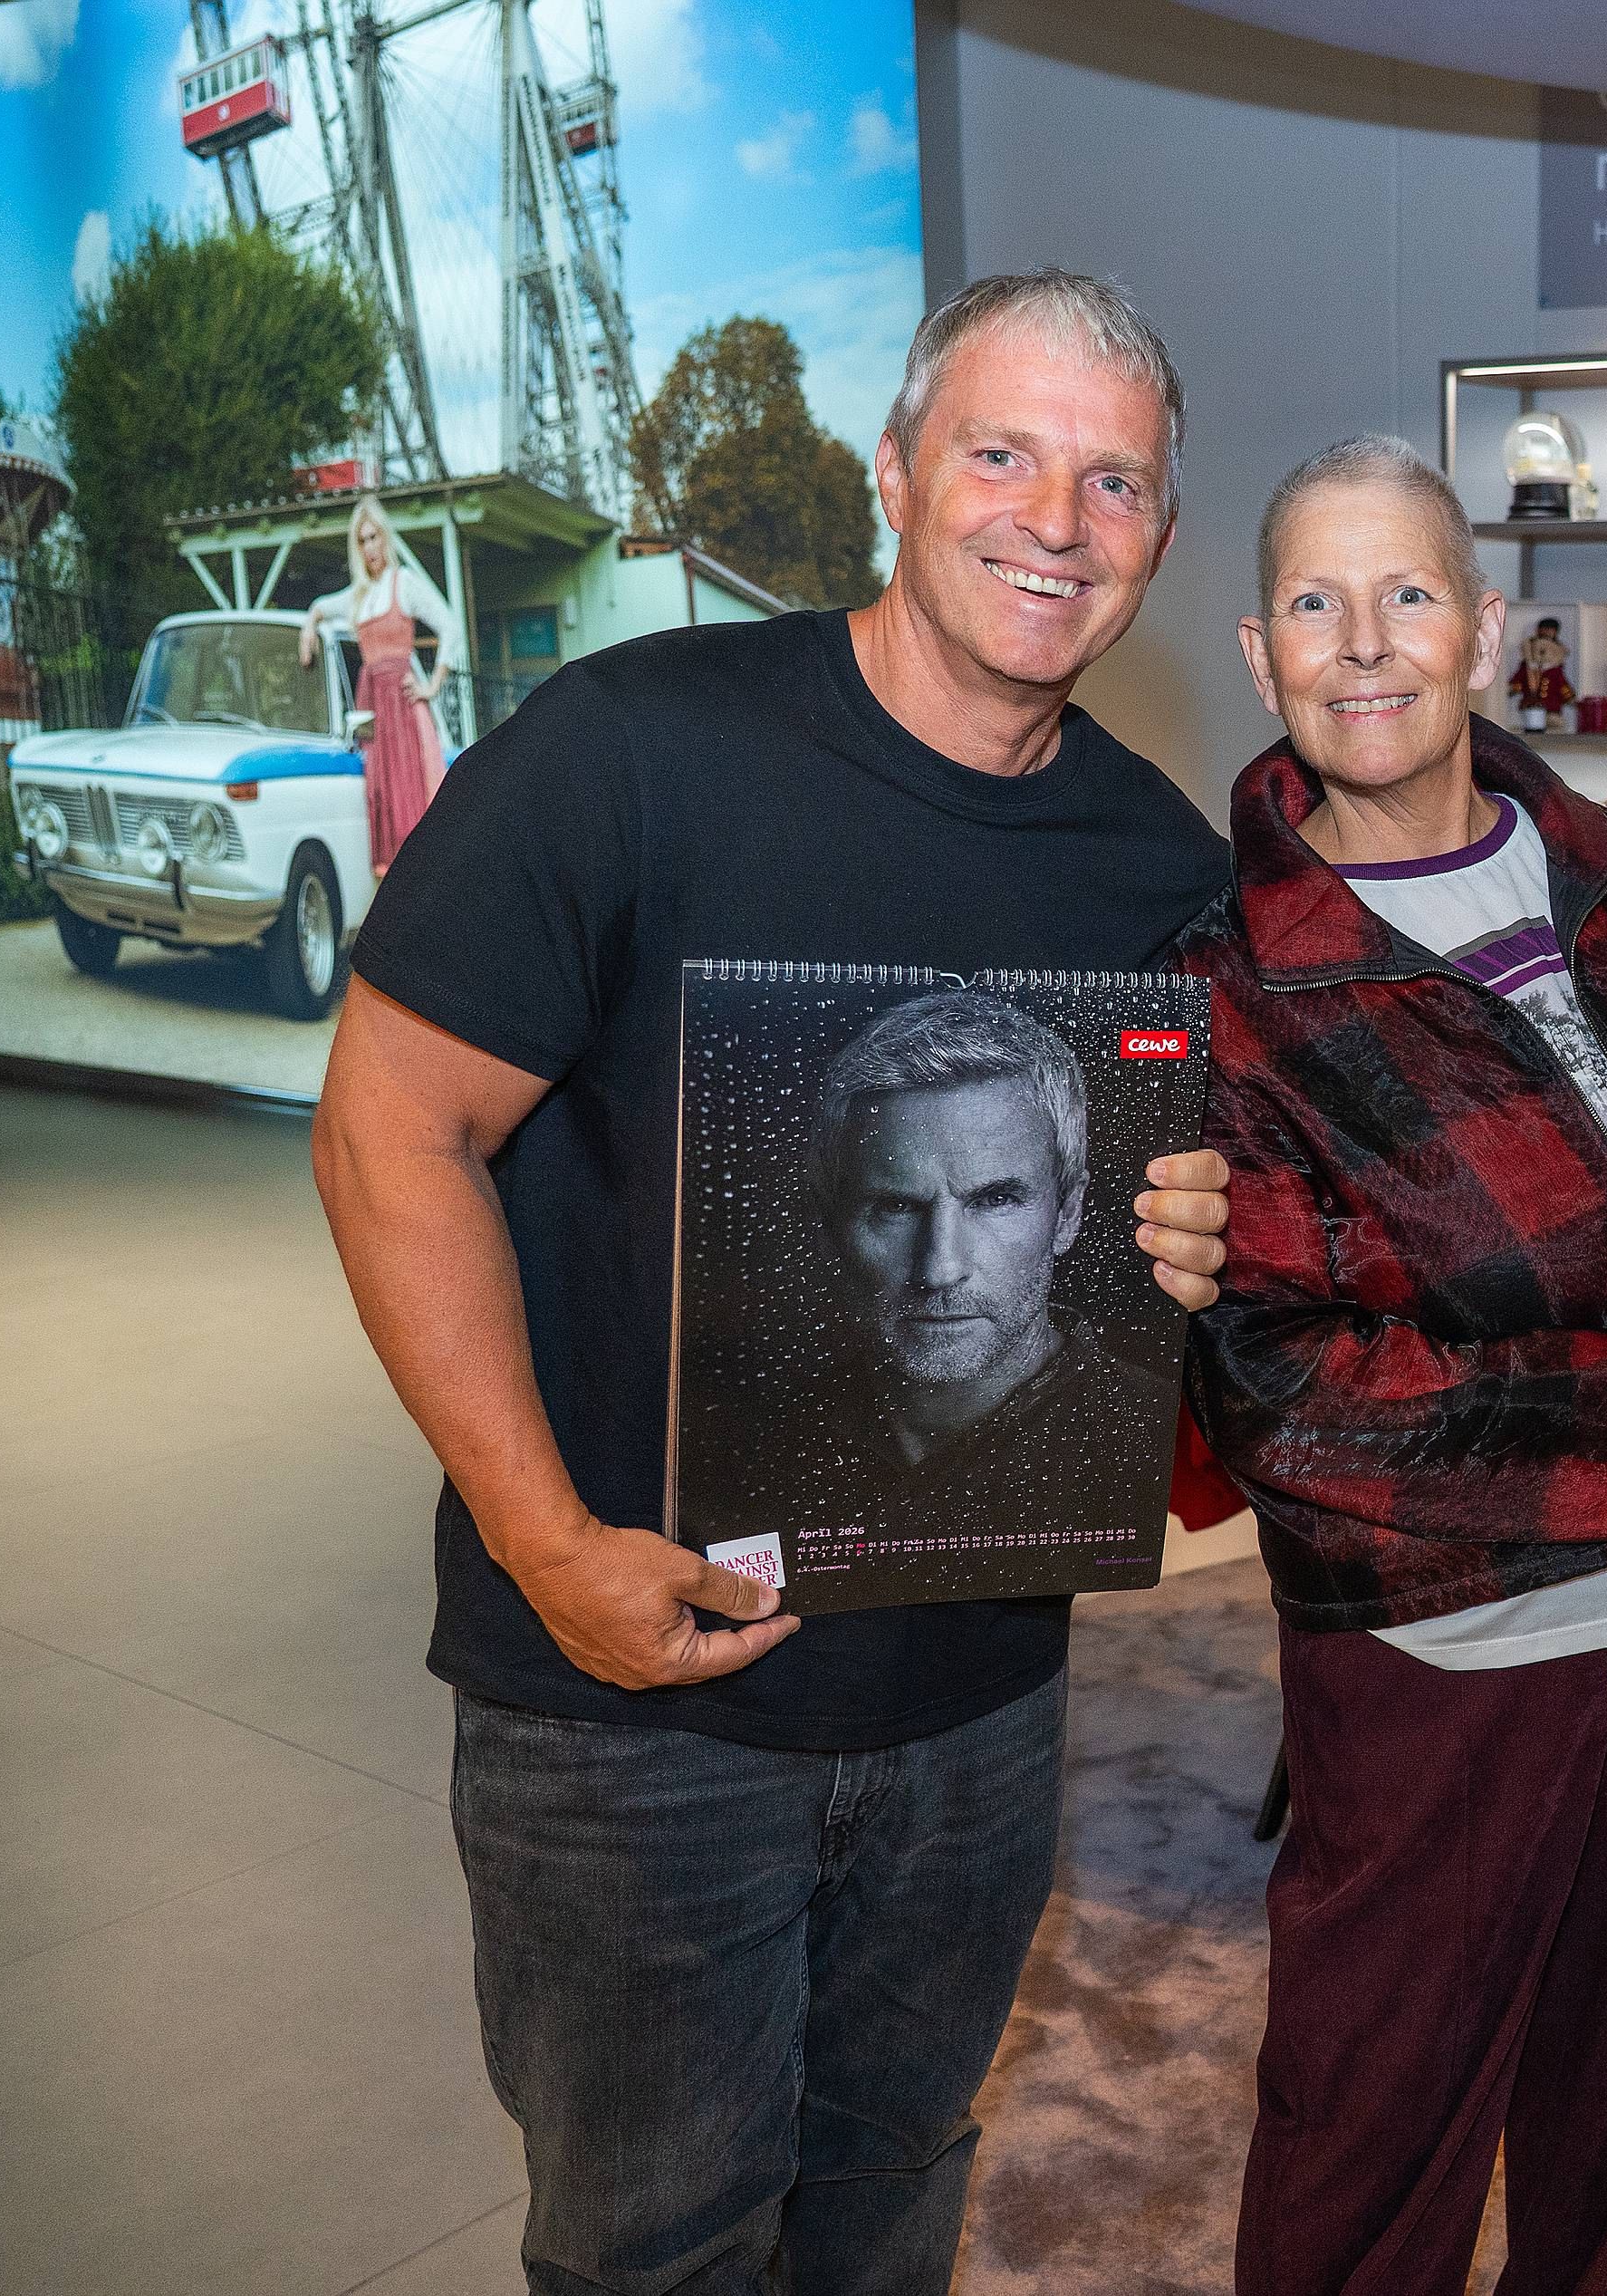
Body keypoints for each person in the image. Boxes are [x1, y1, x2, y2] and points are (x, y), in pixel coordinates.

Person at [307, 269, 1236, 2296]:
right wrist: (548, 1542)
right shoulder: (632, 750)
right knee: (652, 2245)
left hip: (978, 1698)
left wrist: (1196, 1248)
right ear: (895, 472)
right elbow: (389, 1126)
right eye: (1001, 454)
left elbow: (1162, 1256)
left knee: (891, 2194)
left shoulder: (1157, 868)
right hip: (632, 1710)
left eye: (1114, 482)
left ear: (1162, 533)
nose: (1052, 522)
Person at [1178, 435, 1607, 2296]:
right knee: (1365, 2160)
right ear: (1255, 646)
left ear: (1484, 625)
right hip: (1453, 1654)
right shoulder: (1224, 983)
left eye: (1405, 594)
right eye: (1314, 601)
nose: (1362, 642)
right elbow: (1290, 1401)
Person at [809, 987, 1177, 1539]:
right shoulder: (748, 1436)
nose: (939, 1269)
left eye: (994, 1200)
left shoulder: (1145, 1427)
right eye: (894, 1207)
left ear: (1067, 1214)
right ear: (832, 1226)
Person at [296, 490, 464, 871]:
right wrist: (308, 629)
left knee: (411, 800)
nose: (370, 547)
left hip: (403, 708)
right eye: (362, 540)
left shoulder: (403, 583)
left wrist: (433, 685)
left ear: (385, 537)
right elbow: (321, 607)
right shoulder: (359, 597)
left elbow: (449, 626)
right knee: (380, 796)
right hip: (371, 707)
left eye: (374, 537)